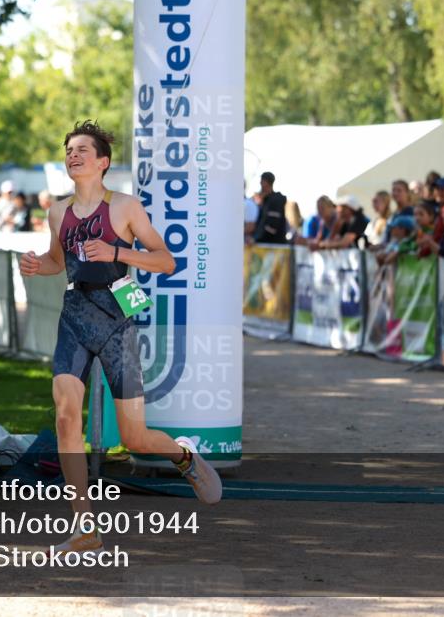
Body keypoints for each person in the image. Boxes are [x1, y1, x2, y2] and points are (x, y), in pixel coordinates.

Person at [18, 120, 222, 554]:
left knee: (135, 438)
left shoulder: (126, 207)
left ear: (103, 162)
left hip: (116, 320)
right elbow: (59, 261)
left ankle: (183, 456)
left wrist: (116, 252)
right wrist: (40, 266)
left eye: (82, 150)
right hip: (74, 317)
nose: (73, 155)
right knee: (67, 419)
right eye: (69, 150)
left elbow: (165, 261)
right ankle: (84, 529)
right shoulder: (58, 212)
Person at [251, 172, 288, 244]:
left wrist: (256, 239)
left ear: (265, 182)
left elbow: (271, 228)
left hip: (273, 247)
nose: (260, 184)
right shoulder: (266, 201)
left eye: (262, 182)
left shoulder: (275, 201)